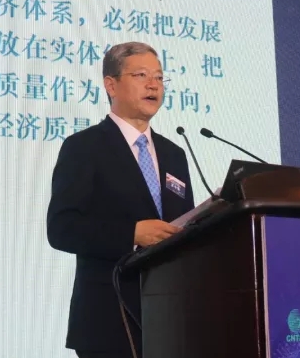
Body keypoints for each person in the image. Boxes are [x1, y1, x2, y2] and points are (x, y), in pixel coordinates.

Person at [46, 41, 196, 358]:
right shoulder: (84, 147)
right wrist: (131, 234)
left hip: (171, 318)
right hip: (109, 319)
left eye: (159, 77)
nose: (153, 84)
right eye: (141, 75)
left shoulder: (174, 154)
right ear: (111, 85)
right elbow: (62, 228)